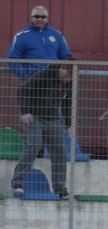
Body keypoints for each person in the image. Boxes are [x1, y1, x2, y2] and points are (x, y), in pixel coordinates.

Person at [10, 62, 73, 199]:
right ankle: (17, 182)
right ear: (61, 69)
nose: (68, 79)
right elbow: (23, 90)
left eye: (71, 78)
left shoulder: (69, 83)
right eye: (67, 75)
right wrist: (25, 112)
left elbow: (68, 103)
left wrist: (69, 124)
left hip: (53, 118)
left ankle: (60, 188)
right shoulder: (43, 75)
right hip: (34, 116)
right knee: (34, 144)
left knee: (60, 151)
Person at [7, 5, 72, 80]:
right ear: (32, 18)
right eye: (37, 16)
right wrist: (26, 76)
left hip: (54, 79)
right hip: (34, 79)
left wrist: (64, 74)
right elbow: (13, 59)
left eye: (43, 17)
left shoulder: (57, 35)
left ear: (47, 18)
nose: (40, 19)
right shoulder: (21, 36)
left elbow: (66, 57)